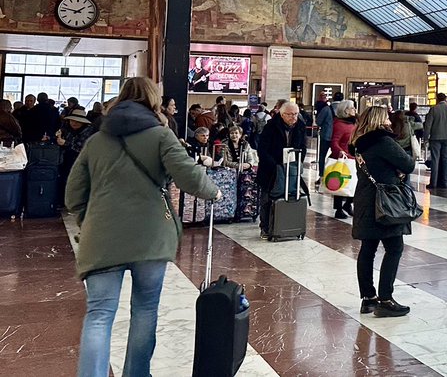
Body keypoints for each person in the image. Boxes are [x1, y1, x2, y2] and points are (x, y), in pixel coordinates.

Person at [66, 77, 219, 377]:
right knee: (145, 311)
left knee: (99, 315)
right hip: (150, 238)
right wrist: (213, 191)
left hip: (102, 238)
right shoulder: (161, 136)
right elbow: (189, 176)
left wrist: (90, 219)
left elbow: (73, 195)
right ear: (153, 101)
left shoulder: (95, 141)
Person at [350, 105, 415, 318]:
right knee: (394, 248)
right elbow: (408, 164)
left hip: (365, 199)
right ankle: (385, 299)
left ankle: (368, 298)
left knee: (368, 249)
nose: (389, 121)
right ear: (380, 120)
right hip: (385, 202)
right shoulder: (383, 141)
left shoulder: (358, 143)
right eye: (386, 118)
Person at [255, 102, 307, 238]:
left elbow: (303, 146)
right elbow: (262, 149)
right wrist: (274, 165)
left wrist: (298, 162)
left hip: (291, 168)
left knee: (290, 196)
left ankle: (286, 226)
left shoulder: (300, 126)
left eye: (296, 114)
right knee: (267, 198)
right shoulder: (270, 127)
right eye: (290, 114)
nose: (293, 117)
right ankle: (265, 227)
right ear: (282, 114)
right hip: (270, 169)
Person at [57, 107, 96, 198]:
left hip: (81, 161)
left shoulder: (88, 131)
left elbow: (82, 147)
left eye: (77, 121)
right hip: (67, 161)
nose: (74, 123)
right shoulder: (68, 130)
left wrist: (65, 143)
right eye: (72, 121)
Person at [329, 100, 357, 219]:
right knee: (339, 183)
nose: (355, 110)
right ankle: (339, 209)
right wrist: (341, 152)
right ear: (346, 111)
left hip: (352, 157)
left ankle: (348, 204)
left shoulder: (353, 123)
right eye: (352, 108)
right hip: (342, 158)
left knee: (353, 182)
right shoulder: (339, 124)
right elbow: (334, 141)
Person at [423, 93, 447, 190]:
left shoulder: (434, 109)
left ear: (437, 99)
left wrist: (425, 138)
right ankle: (445, 182)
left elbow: (428, 125)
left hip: (435, 138)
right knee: (446, 160)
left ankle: (433, 183)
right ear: (445, 99)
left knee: (435, 159)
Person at [316, 97, 334, 178]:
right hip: (340, 136)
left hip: (326, 135)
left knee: (322, 155)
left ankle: (322, 175)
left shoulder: (327, 109)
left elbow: (318, 121)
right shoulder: (344, 108)